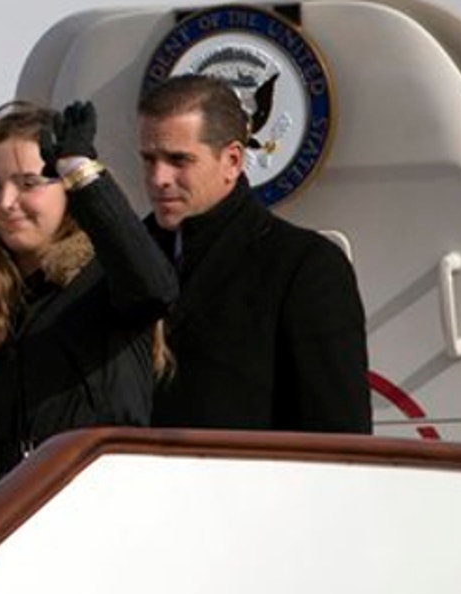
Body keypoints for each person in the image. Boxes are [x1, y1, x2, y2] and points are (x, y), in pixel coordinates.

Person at [0, 100, 178, 520]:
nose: (5, 202)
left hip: (93, 514)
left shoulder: (106, 281)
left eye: (28, 183)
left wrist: (83, 173)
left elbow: (155, 287)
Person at [137, 74, 372, 433]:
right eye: (149, 159)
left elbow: (338, 437)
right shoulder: (120, 259)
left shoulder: (304, 266)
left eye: (178, 160)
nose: (159, 178)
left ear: (232, 160)